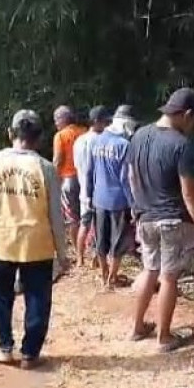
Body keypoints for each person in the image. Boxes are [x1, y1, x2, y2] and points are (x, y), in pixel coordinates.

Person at [0, 110, 68, 370]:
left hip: (3, 242)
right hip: (37, 245)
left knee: (1, 295)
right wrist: (62, 254)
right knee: (38, 299)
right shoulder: (46, 168)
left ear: (10, 134)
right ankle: (30, 354)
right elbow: (56, 216)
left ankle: (4, 348)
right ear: (39, 138)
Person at [126, 88, 194, 352]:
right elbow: (188, 192)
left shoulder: (139, 135)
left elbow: (130, 175)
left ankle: (137, 328)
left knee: (149, 270)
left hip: (145, 216)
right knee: (169, 277)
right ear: (186, 114)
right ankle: (164, 337)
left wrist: (137, 206)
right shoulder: (181, 145)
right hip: (171, 220)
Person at [86, 105, 137, 289]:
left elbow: (89, 172)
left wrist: (89, 196)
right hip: (118, 201)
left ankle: (103, 274)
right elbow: (126, 179)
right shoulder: (124, 145)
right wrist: (133, 204)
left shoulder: (96, 141)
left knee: (101, 239)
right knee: (118, 241)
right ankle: (112, 278)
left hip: (99, 199)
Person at [73, 105, 111, 267]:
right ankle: (97, 258)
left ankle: (80, 258)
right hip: (97, 190)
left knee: (85, 223)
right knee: (99, 226)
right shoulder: (99, 140)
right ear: (97, 122)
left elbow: (76, 165)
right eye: (104, 122)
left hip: (83, 187)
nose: (106, 125)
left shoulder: (79, 140)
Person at [52, 105, 86, 244]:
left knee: (72, 217)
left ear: (64, 119)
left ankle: (79, 251)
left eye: (56, 119)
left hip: (69, 179)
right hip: (85, 178)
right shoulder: (84, 132)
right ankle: (90, 250)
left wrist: (54, 179)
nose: (55, 123)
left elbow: (58, 160)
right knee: (87, 215)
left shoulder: (60, 136)